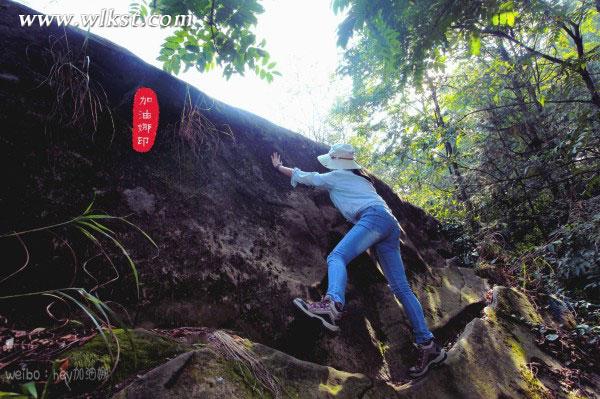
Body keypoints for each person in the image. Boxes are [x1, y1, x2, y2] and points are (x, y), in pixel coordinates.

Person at [270, 143, 446, 378]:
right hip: (390, 224)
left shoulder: (337, 176)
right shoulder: (363, 180)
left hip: (373, 219)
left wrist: (279, 167)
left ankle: (332, 304)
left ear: (336, 162)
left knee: (337, 256)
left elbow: (307, 177)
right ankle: (429, 346)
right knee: (401, 288)